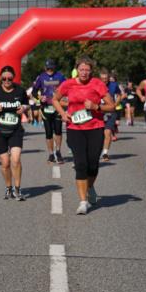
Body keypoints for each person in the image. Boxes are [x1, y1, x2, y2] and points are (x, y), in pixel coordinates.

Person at [52, 57, 116, 215]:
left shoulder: (97, 84)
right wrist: (63, 113)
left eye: (87, 70)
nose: (84, 72)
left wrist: (96, 106)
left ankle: (90, 186)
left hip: (95, 127)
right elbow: (54, 99)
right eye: (81, 69)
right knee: (81, 164)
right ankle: (83, 201)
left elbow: (112, 106)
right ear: (77, 70)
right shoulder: (68, 84)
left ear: (91, 71)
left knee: (93, 164)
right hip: (75, 128)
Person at [0, 66, 30, 200]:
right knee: (5, 163)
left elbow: (27, 104)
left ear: (13, 77)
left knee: (15, 159)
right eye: (4, 78)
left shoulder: (20, 91)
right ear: (1, 78)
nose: (7, 80)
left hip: (15, 130)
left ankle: (17, 188)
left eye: (10, 78)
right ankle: (8, 187)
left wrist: (24, 108)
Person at [31, 59, 66, 164]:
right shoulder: (41, 77)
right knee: (49, 133)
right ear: (45, 68)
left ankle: (58, 152)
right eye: (48, 68)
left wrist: (63, 97)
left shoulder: (60, 76)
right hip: (46, 108)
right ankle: (51, 154)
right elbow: (33, 92)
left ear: (54, 67)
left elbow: (67, 89)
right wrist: (39, 98)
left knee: (58, 131)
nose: (49, 70)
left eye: (51, 68)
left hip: (57, 107)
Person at [99, 69, 122, 161]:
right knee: (99, 135)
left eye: (106, 78)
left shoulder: (114, 85)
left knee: (107, 132)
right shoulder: (96, 85)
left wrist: (115, 105)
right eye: (102, 78)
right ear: (100, 78)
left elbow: (119, 95)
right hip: (99, 112)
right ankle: (96, 151)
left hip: (111, 112)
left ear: (109, 78)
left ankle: (105, 153)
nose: (104, 80)